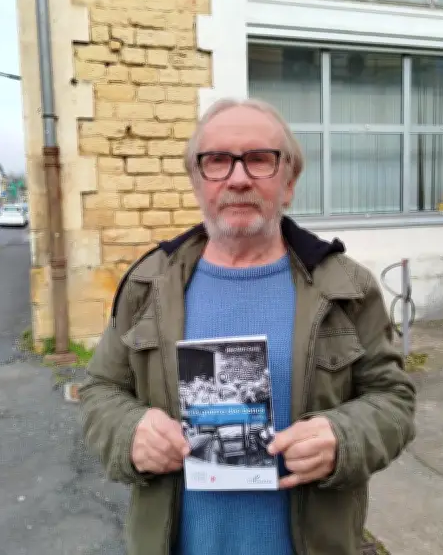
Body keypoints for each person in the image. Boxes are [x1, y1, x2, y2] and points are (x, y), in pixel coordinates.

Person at [80, 98, 417, 555]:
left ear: (289, 183)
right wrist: (129, 431)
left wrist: (346, 438)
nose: (238, 178)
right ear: (197, 181)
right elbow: (100, 390)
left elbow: (394, 399)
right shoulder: (147, 285)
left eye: (259, 159)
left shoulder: (347, 288)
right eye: (217, 160)